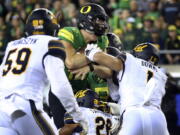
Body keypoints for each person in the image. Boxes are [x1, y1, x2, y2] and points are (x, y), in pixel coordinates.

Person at [0, 8, 88, 135]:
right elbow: (60, 87)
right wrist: (78, 116)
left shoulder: (12, 45)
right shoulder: (51, 43)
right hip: (24, 105)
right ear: (52, 28)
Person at [48, 3, 123, 129]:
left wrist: (91, 67)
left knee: (86, 128)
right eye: (98, 20)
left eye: (103, 20)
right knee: (62, 128)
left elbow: (108, 71)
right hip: (61, 91)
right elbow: (70, 63)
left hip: (82, 92)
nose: (102, 24)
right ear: (86, 21)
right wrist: (92, 54)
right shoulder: (70, 33)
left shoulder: (102, 40)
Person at [84, 42, 170, 135]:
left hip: (134, 114)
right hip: (158, 117)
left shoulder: (131, 60)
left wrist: (91, 52)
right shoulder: (161, 74)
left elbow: (113, 66)